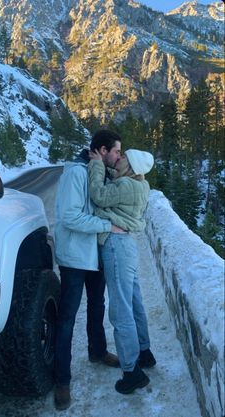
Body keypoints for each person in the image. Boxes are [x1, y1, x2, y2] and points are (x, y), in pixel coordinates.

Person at [53, 129, 122, 410]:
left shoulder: (99, 172)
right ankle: (61, 380)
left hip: (94, 254)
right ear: (102, 151)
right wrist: (107, 226)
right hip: (73, 255)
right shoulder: (76, 173)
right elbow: (70, 216)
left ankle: (97, 351)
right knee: (67, 318)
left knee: (97, 305)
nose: (118, 156)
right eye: (116, 151)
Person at [88, 148, 156, 395]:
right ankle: (145, 352)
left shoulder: (126, 185)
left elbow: (98, 196)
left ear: (131, 166)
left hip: (116, 248)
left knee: (120, 310)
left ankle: (131, 372)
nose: (119, 158)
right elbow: (115, 191)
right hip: (127, 246)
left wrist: (96, 165)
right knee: (135, 301)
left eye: (123, 157)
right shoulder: (141, 184)